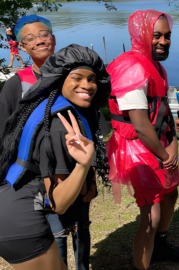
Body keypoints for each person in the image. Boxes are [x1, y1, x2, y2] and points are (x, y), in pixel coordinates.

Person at [0, 44, 110, 270]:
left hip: (9, 206)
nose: (87, 86)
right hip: (21, 223)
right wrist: (84, 165)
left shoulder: (50, 107)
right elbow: (58, 203)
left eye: (92, 79)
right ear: (60, 79)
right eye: (77, 78)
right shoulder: (61, 127)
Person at [106, 9, 179, 269]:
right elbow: (140, 125)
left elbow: (161, 112)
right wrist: (165, 156)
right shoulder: (131, 67)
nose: (164, 41)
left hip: (160, 143)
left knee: (171, 193)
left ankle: (160, 245)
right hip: (136, 148)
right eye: (156, 36)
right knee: (151, 214)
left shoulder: (156, 67)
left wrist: (173, 142)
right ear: (141, 35)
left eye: (167, 36)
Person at [0, 15, 56, 136]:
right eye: (30, 39)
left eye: (45, 35)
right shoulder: (16, 84)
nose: (40, 41)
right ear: (23, 47)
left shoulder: (73, 77)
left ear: (54, 39)